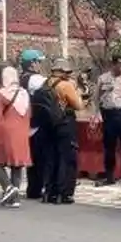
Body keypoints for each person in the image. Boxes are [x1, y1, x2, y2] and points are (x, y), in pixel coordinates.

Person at [43, 58, 84, 204]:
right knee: (67, 159)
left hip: (48, 125)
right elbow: (78, 105)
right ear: (61, 71)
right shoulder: (65, 85)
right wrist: (77, 90)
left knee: (51, 158)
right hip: (65, 124)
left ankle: (49, 191)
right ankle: (65, 192)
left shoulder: (45, 83)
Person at [0, 65, 29, 208]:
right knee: (16, 164)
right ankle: (15, 198)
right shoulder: (24, 93)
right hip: (22, 131)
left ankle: (8, 187)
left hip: (6, 131)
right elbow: (29, 114)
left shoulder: (1, 94)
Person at [95, 55, 121, 187]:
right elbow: (97, 96)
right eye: (119, 65)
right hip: (108, 114)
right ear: (113, 65)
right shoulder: (103, 78)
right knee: (109, 147)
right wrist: (97, 113)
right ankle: (109, 176)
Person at [18, 49, 48, 199]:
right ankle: (37, 188)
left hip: (25, 122)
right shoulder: (36, 80)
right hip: (37, 123)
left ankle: (33, 187)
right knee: (40, 157)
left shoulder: (20, 78)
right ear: (32, 63)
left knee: (32, 158)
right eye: (38, 62)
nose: (39, 65)